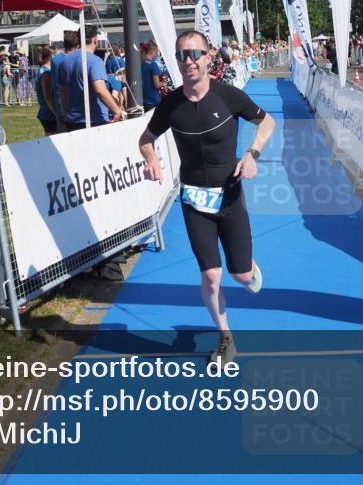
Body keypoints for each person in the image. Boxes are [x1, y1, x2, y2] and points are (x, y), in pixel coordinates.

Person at [138, 30, 276, 366]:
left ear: (208, 57)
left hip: (229, 197)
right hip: (194, 201)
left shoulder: (228, 96)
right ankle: (225, 337)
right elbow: (145, 137)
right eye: (182, 55)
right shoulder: (171, 104)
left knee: (241, 276)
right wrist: (151, 158)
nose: (188, 61)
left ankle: (247, 267)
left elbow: (267, 121)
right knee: (211, 275)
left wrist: (252, 155)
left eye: (195, 54)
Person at [56, 25, 125, 131]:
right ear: (95, 40)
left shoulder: (64, 61)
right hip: (94, 120)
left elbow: (62, 93)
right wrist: (117, 110)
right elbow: (100, 90)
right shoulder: (95, 61)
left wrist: (66, 113)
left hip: (72, 120)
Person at [34, 47, 57, 135]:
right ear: (51, 56)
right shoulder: (46, 72)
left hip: (47, 112)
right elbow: (47, 97)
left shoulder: (44, 70)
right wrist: (56, 114)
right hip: (49, 113)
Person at [141, 42, 164, 111]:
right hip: (153, 100)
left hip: (143, 99)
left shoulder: (141, 63)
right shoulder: (153, 65)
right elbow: (157, 84)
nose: (157, 54)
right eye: (157, 51)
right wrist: (164, 82)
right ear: (153, 51)